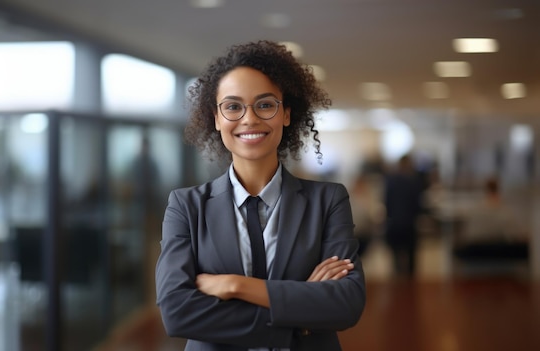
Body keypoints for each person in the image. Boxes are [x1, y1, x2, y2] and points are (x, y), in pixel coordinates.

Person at [155, 40, 365, 351]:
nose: (250, 119)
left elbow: (346, 303)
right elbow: (177, 313)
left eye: (265, 104)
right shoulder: (186, 207)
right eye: (233, 106)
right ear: (216, 117)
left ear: (286, 114)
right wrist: (302, 313)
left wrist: (235, 286)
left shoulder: (328, 201)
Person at [383, 154, 423, 278]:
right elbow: (417, 204)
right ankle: (410, 286)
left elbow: (386, 202)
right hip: (409, 224)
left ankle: (398, 282)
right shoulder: (414, 181)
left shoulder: (391, 181)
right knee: (411, 259)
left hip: (394, 223)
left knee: (396, 258)